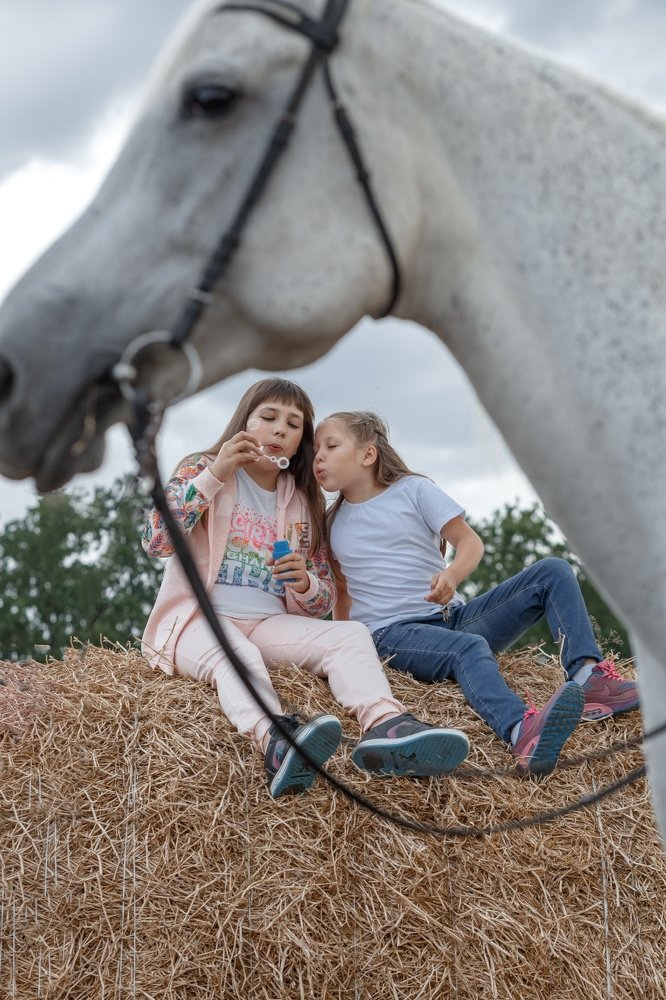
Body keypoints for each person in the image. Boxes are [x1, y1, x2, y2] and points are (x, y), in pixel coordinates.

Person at [141, 379, 470, 799]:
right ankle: (277, 743)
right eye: (269, 417)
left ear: (301, 443)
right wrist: (215, 474)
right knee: (235, 656)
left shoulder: (301, 501)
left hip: (269, 623)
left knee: (350, 634)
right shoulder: (201, 469)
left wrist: (305, 582)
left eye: (294, 425)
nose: (280, 430)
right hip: (198, 620)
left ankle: (387, 726)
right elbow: (156, 540)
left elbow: (323, 601)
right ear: (244, 421)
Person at [313, 410, 640, 776]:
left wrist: (451, 575)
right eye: (315, 451)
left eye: (331, 446)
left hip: (454, 616)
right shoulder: (331, 523)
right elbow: (342, 592)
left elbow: (469, 543)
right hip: (392, 634)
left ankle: (587, 677)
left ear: (367, 454)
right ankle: (521, 732)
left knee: (553, 571)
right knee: (467, 649)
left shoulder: (415, 490)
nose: (319, 458)